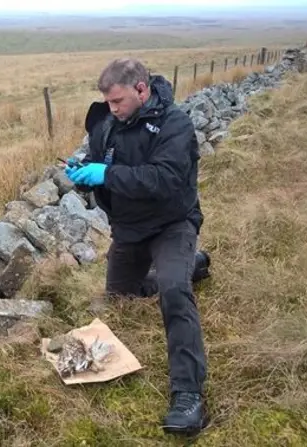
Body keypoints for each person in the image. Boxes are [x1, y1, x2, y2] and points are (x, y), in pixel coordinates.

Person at [64, 58, 210, 436]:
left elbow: (165, 179)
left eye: (117, 101)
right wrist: (84, 174)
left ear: (141, 90)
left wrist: (108, 174)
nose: (111, 110)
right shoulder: (107, 126)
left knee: (174, 292)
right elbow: (101, 168)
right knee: (121, 295)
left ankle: (188, 394)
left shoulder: (174, 124)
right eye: (108, 103)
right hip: (129, 228)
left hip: (171, 222)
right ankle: (188, 265)